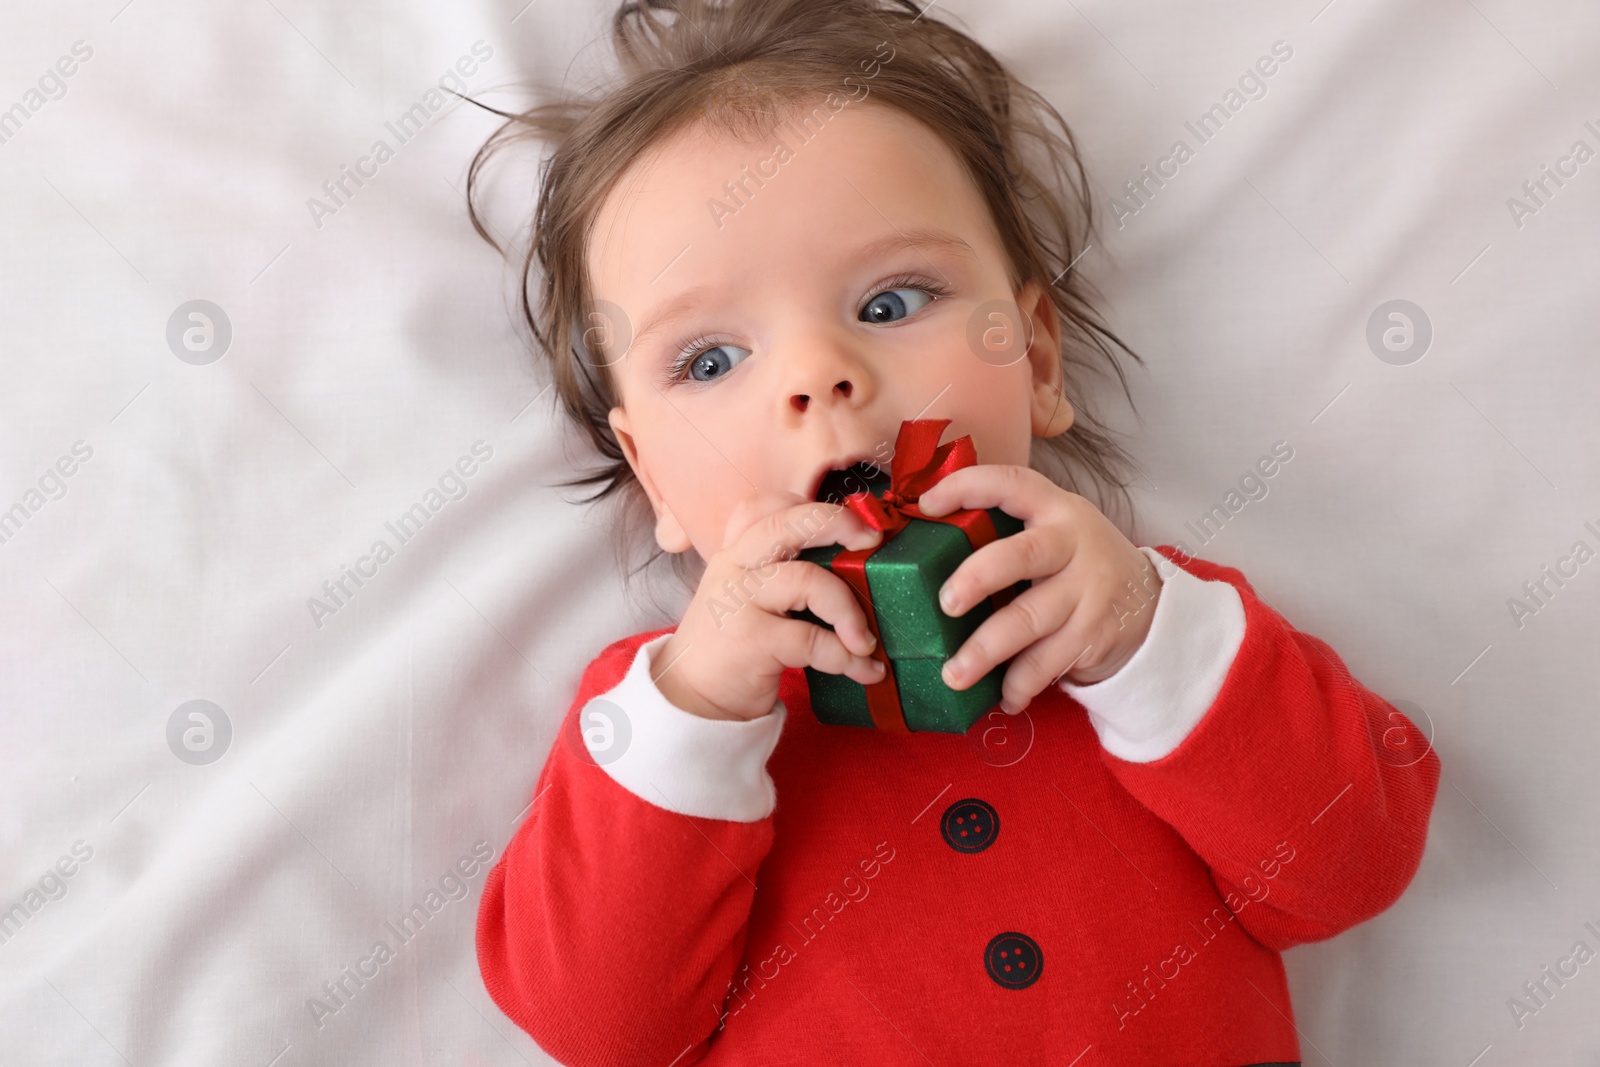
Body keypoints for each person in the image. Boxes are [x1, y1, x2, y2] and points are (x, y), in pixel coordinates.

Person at [466, 1, 1441, 1062]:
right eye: (709, 361)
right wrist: (697, 709)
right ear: (651, 473)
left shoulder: (1143, 622)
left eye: (890, 302)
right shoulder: (659, 721)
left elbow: (1354, 865)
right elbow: (597, 1026)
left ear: (1034, 359)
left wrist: (1145, 639)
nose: (817, 375)